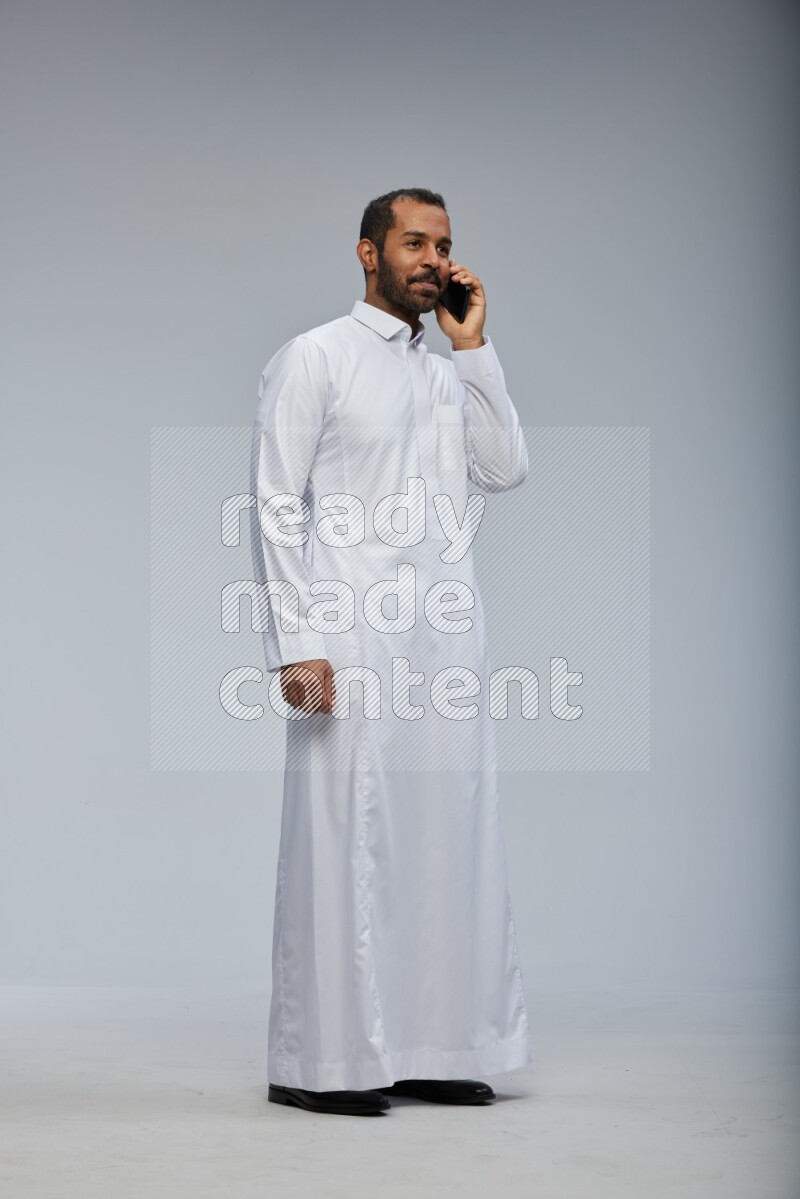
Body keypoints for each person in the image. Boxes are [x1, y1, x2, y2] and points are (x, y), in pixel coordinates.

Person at [249, 187, 532, 1116]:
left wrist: (474, 345)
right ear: (368, 252)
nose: (433, 259)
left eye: (443, 244)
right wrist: (300, 642)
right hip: (349, 637)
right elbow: (276, 501)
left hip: (442, 639)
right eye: (414, 242)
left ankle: (432, 1043)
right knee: (342, 843)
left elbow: (505, 468)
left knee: (445, 835)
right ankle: (319, 1061)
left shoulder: (448, 370)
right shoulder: (315, 358)